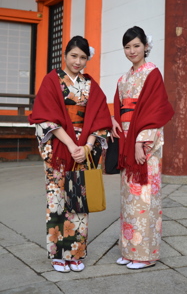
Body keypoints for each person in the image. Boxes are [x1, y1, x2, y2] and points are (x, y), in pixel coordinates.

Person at [29, 36, 112, 273]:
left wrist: (86, 147)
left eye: (83, 57)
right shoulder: (52, 80)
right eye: (73, 55)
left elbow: (100, 118)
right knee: (57, 200)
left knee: (79, 199)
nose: (77, 61)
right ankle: (57, 253)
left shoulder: (90, 85)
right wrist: (71, 145)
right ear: (65, 55)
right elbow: (44, 116)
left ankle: (75, 252)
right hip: (59, 145)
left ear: (87, 59)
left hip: (83, 148)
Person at [111, 26, 174, 270]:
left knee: (145, 198)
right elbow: (120, 108)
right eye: (127, 47)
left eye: (136, 45)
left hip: (144, 143)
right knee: (128, 199)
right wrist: (115, 120)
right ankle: (129, 250)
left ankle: (146, 254)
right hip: (128, 141)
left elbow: (155, 111)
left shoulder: (152, 73)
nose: (132, 51)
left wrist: (141, 142)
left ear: (146, 46)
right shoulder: (123, 78)